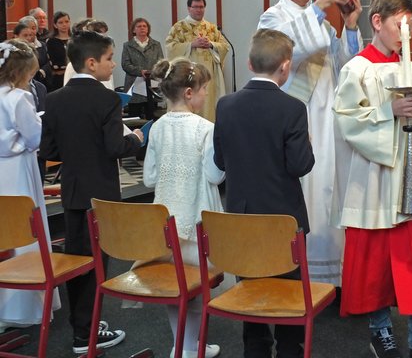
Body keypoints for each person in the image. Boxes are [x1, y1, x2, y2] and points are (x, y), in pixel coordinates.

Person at [333, 0, 412, 358]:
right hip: (372, 181)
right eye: (400, 25)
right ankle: (380, 331)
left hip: (410, 185)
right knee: (375, 270)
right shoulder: (356, 69)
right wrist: (389, 112)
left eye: (411, 26)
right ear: (377, 22)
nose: (405, 33)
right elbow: (347, 122)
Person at [258, 0, 363, 286]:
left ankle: (333, 276)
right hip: (297, 118)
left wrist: (350, 26)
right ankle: (302, 274)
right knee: (308, 195)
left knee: (330, 192)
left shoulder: (321, 24)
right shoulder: (272, 18)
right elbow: (286, 51)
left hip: (328, 119)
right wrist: (319, 7)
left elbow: (345, 67)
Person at [213, 28, 315, 358]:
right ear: (285, 66)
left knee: (250, 290)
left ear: (249, 63)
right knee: (289, 293)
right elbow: (300, 165)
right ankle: (289, 350)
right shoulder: (293, 108)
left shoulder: (225, 105)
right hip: (283, 220)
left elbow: (220, 161)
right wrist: (307, 145)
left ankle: (255, 350)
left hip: (242, 217)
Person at [40, 30, 143, 354]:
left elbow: (49, 149)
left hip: (72, 192)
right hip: (101, 194)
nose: (113, 65)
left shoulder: (54, 99)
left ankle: (82, 325)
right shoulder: (107, 99)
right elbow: (115, 147)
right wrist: (136, 139)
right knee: (97, 262)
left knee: (77, 261)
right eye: (109, 59)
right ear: (91, 62)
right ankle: (85, 335)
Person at [143, 57, 224, 358]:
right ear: (189, 93)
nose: (206, 94)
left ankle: (181, 344)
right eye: (204, 89)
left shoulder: (157, 127)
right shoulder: (206, 128)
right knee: (197, 282)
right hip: (197, 215)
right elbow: (214, 175)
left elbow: (150, 177)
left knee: (172, 282)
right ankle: (191, 347)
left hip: (166, 220)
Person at [0, 39, 61, 333]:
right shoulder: (18, 98)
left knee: (5, 229)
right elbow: (35, 138)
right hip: (18, 168)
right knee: (26, 227)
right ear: (21, 72)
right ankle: (23, 305)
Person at [166, 0, 229, 122]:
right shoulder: (179, 27)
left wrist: (211, 44)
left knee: (208, 107)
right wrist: (191, 45)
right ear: (189, 8)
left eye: (201, 7)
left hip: (208, 77)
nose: (199, 10)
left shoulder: (211, 28)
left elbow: (224, 46)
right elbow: (170, 47)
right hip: (187, 76)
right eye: (195, 7)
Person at [122, 17, 164, 118]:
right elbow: (125, 64)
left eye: (144, 26)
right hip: (134, 84)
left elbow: (161, 63)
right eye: (139, 26)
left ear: (148, 29)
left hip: (152, 83)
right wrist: (140, 71)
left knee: (152, 115)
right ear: (133, 30)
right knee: (134, 116)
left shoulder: (156, 45)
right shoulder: (127, 45)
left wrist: (151, 73)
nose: (142, 28)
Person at [63, 19, 114, 89]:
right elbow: (68, 90)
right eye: (99, 34)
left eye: (104, 34)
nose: (103, 38)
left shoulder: (106, 64)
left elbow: (110, 87)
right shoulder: (74, 65)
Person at [16, 18, 48, 85]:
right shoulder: (14, 48)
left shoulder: (43, 45)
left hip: (42, 80)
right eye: (27, 28)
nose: (30, 31)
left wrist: (42, 71)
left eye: (33, 28)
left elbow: (48, 61)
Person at [46, 11, 72, 91]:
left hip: (74, 76)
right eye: (60, 22)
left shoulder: (75, 39)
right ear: (55, 25)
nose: (64, 24)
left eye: (66, 22)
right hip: (58, 79)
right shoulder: (51, 41)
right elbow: (53, 62)